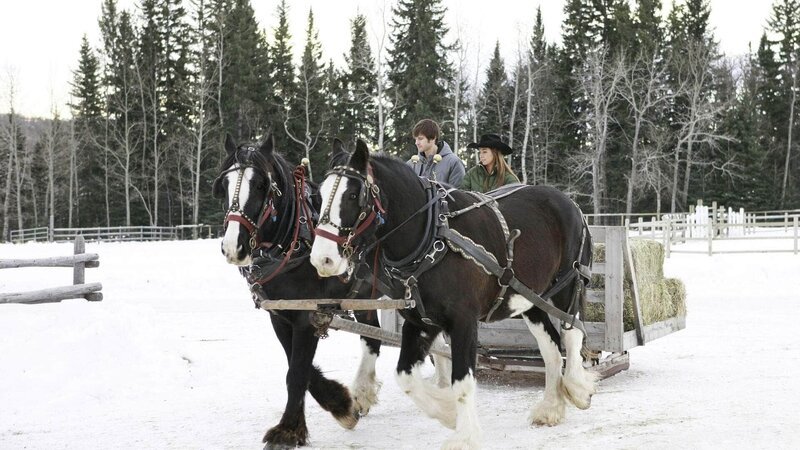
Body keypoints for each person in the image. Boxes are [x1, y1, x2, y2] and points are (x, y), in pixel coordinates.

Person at [406, 119, 465, 187]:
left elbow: (459, 195)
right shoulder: (411, 165)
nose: (416, 143)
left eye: (420, 139)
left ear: (433, 138)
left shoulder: (454, 163)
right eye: (416, 139)